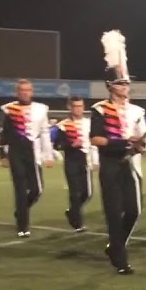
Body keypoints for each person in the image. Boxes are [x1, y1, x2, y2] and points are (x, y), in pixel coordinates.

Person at [88, 31, 146, 275]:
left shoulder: (137, 110)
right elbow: (95, 138)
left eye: (127, 82)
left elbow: (143, 140)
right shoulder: (99, 110)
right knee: (114, 213)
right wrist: (123, 141)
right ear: (110, 86)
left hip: (130, 165)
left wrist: (140, 145)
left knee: (134, 211)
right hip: (111, 165)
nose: (126, 86)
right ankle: (120, 259)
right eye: (121, 83)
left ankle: (115, 246)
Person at [0, 79, 55, 237]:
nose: (25, 92)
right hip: (16, 152)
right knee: (20, 190)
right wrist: (3, 155)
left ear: (32, 92)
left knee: (37, 189)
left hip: (33, 151)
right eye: (21, 90)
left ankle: (21, 210)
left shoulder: (41, 109)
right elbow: (5, 134)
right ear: (17, 92)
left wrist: (48, 154)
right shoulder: (9, 109)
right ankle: (22, 226)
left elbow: (44, 132)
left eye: (27, 89)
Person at [52, 96, 96, 232]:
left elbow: (94, 141)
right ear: (69, 107)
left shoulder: (89, 123)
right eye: (75, 106)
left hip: (85, 160)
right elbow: (57, 144)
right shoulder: (63, 125)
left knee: (87, 193)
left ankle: (72, 211)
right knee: (75, 192)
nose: (78, 109)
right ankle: (77, 223)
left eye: (81, 106)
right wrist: (70, 145)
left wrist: (95, 160)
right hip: (71, 160)